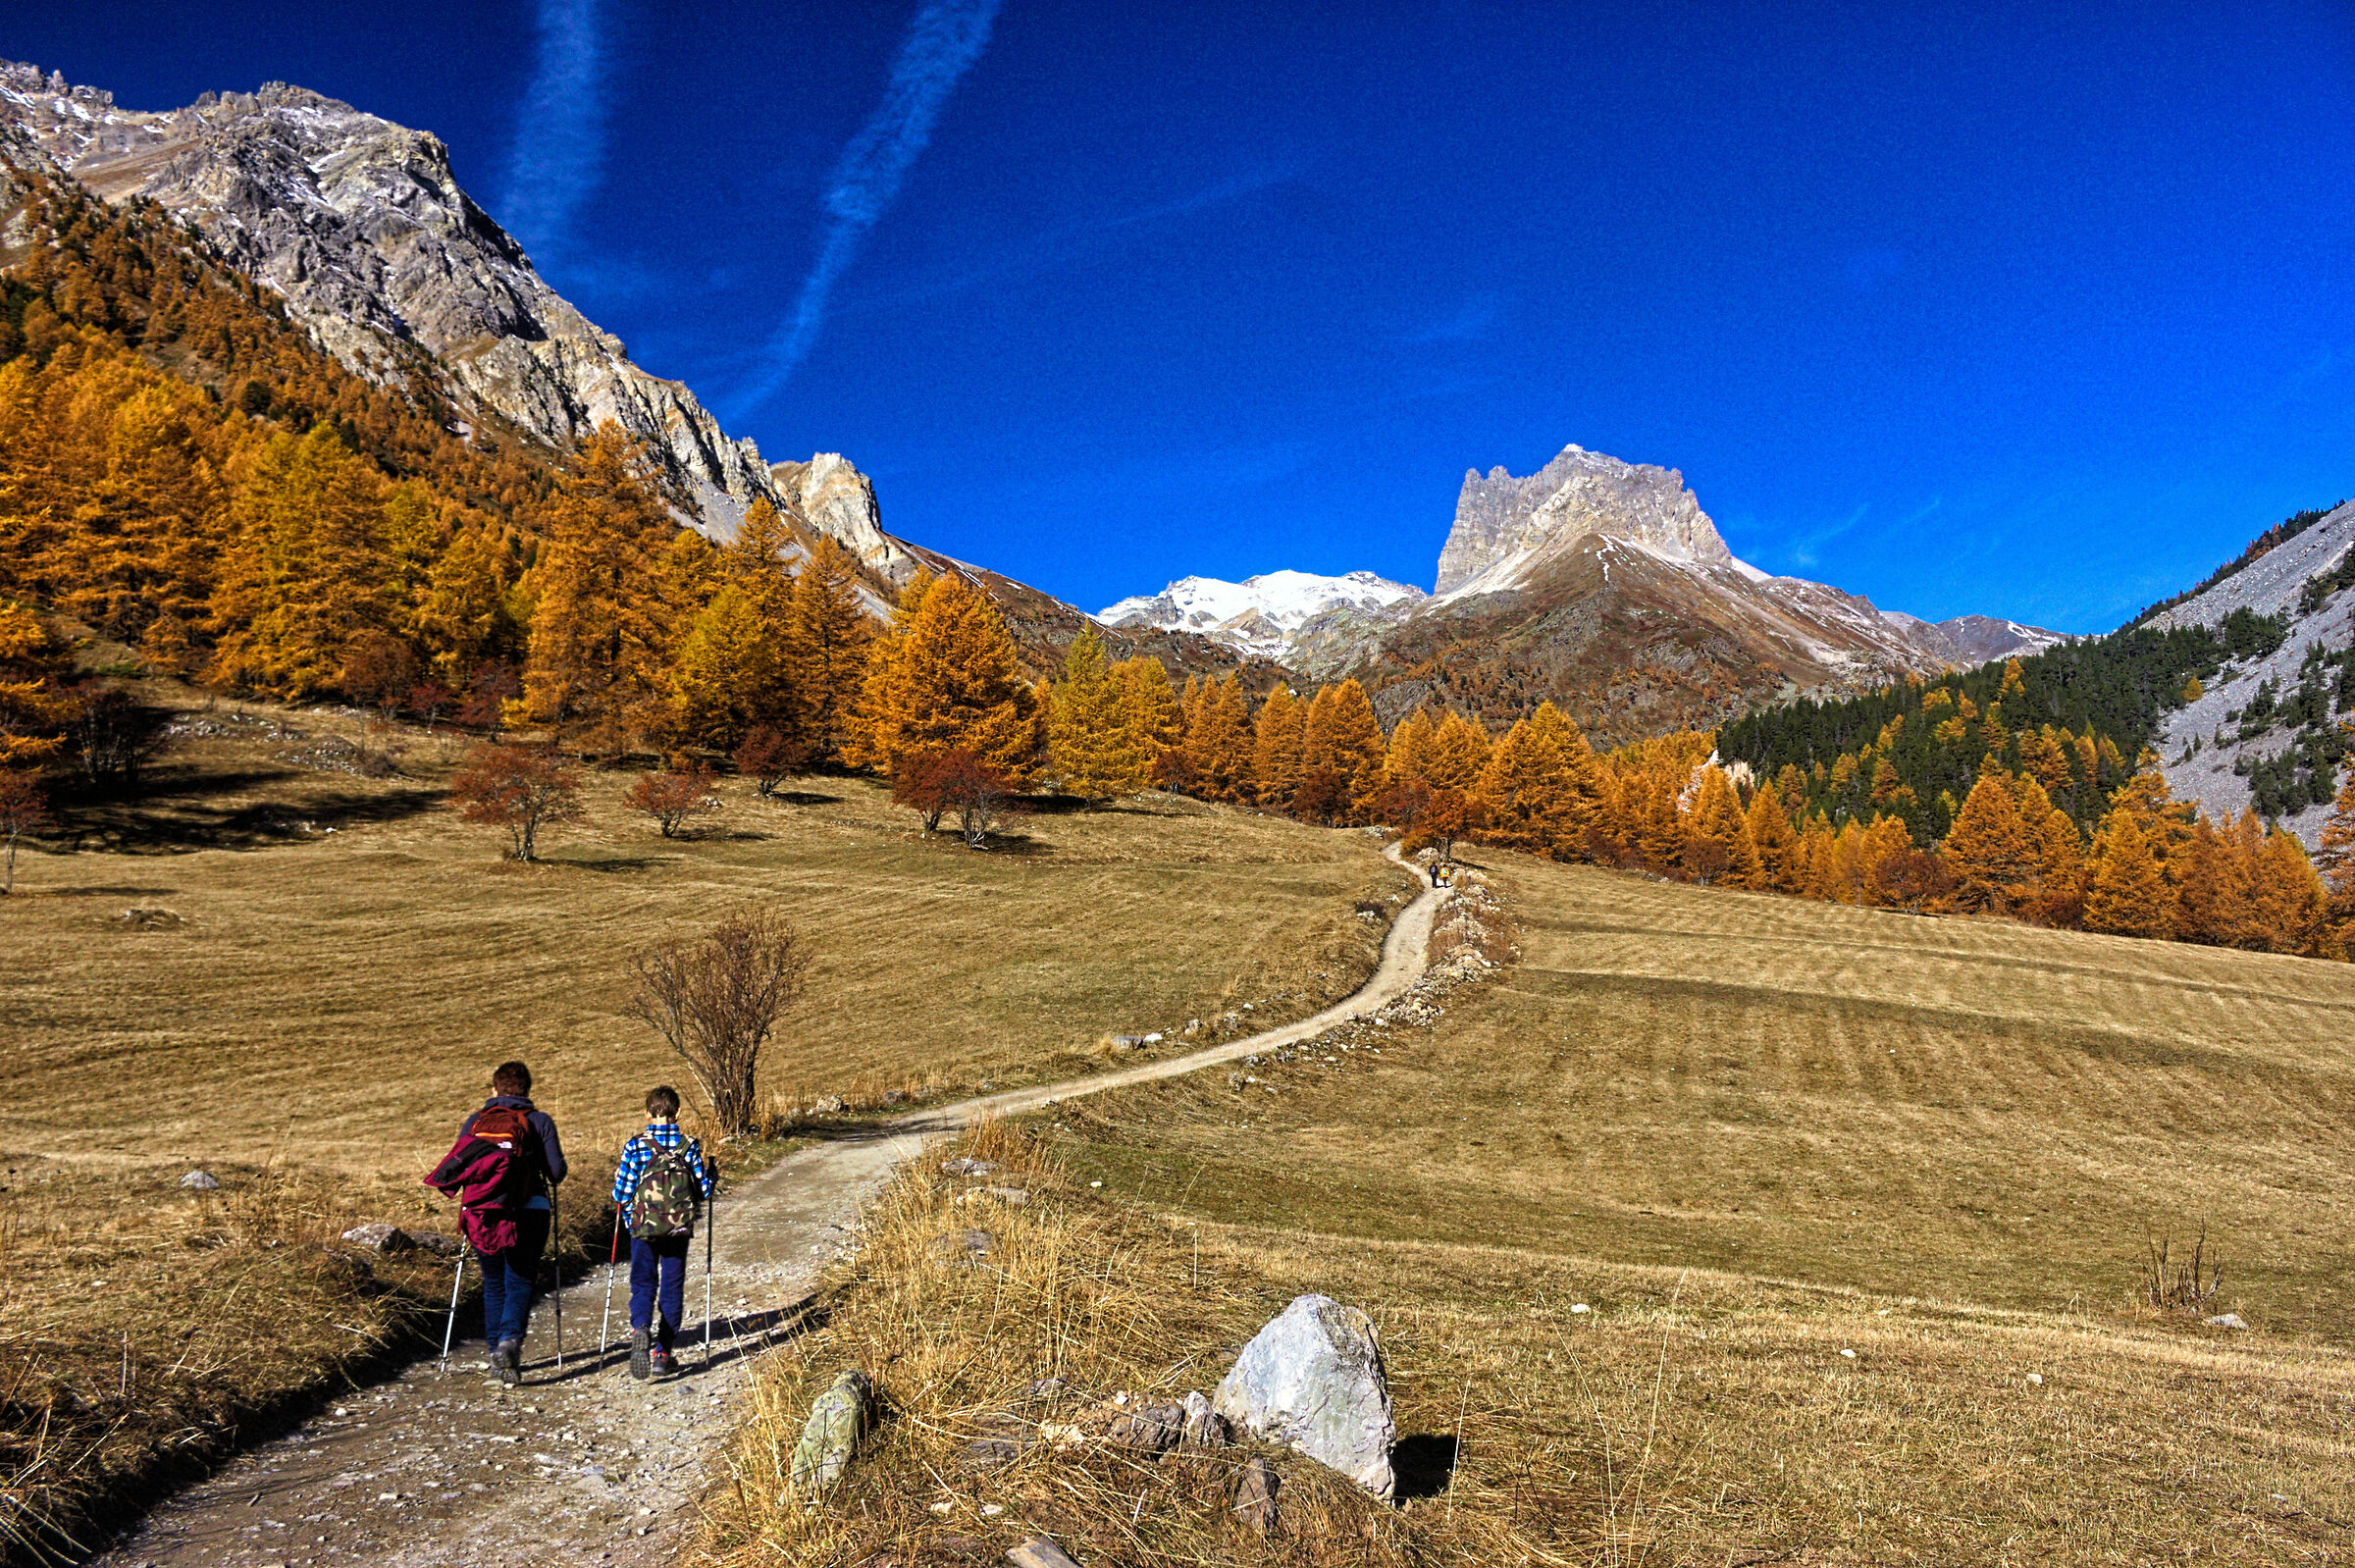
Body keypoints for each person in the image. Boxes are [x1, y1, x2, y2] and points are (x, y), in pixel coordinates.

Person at [430, 1061, 567, 1386]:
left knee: (493, 1283)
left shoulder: (476, 1122)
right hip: (530, 1208)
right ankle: (509, 1343)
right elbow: (556, 1173)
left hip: (483, 1212)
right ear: (527, 1089)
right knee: (520, 1279)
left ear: (494, 1089)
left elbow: (459, 1164)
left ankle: (496, 1356)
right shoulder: (539, 1120)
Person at [609, 1085, 714, 1380]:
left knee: (643, 1283)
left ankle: (641, 1328)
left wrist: (621, 1191)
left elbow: (621, 1194)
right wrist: (712, 1177)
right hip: (678, 1229)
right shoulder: (688, 1145)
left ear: (647, 1114)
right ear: (678, 1112)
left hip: (642, 1228)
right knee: (672, 1285)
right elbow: (704, 1191)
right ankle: (662, 1353)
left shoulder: (635, 1146)